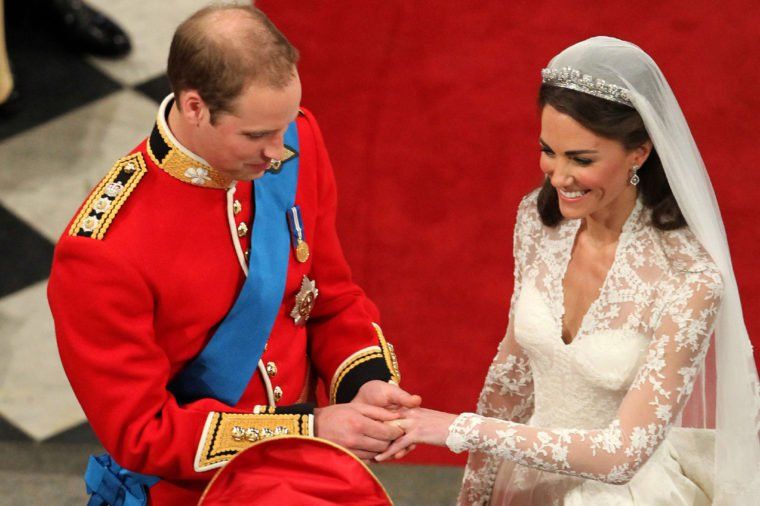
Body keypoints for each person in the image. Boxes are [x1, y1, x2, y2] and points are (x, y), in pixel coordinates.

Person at [48, 5, 419, 505]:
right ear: (196, 106)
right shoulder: (102, 251)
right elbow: (143, 434)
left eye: (283, 127)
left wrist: (364, 384)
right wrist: (307, 427)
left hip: (305, 478)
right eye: (256, 135)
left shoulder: (295, 138)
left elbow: (327, 296)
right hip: (199, 491)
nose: (277, 151)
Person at [376, 37, 760, 505]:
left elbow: (623, 455)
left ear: (639, 153)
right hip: (523, 481)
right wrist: (474, 495)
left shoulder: (690, 280)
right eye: (549, 151)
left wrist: (459, 429)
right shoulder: (536, 224)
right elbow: (511, 380)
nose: (558, 176)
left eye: (581, 159)